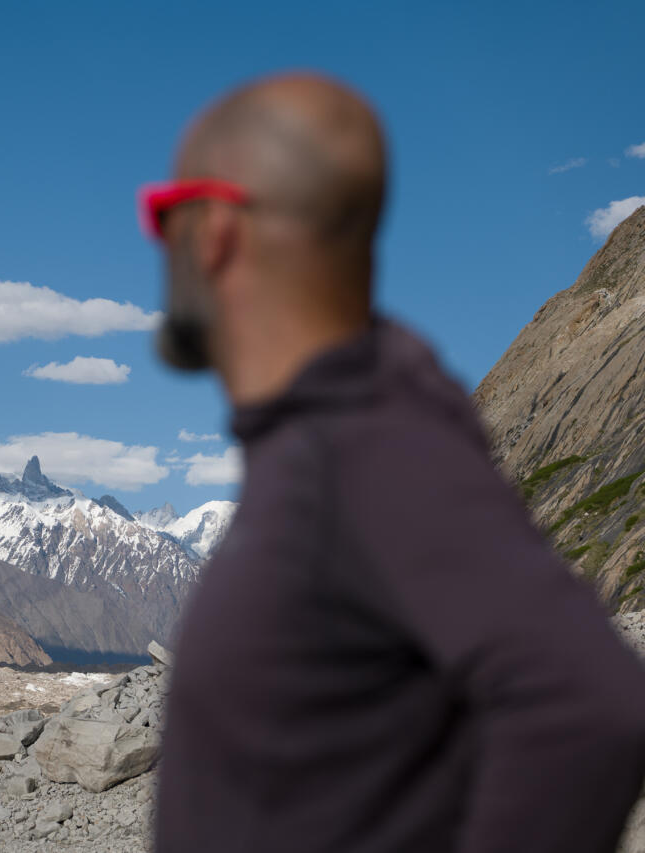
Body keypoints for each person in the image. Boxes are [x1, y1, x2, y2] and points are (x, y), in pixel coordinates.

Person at [143, 72, 645, 853]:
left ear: (213, 229)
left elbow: (593, 704)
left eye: (162, 214)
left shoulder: (364, 444)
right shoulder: (337, 437)